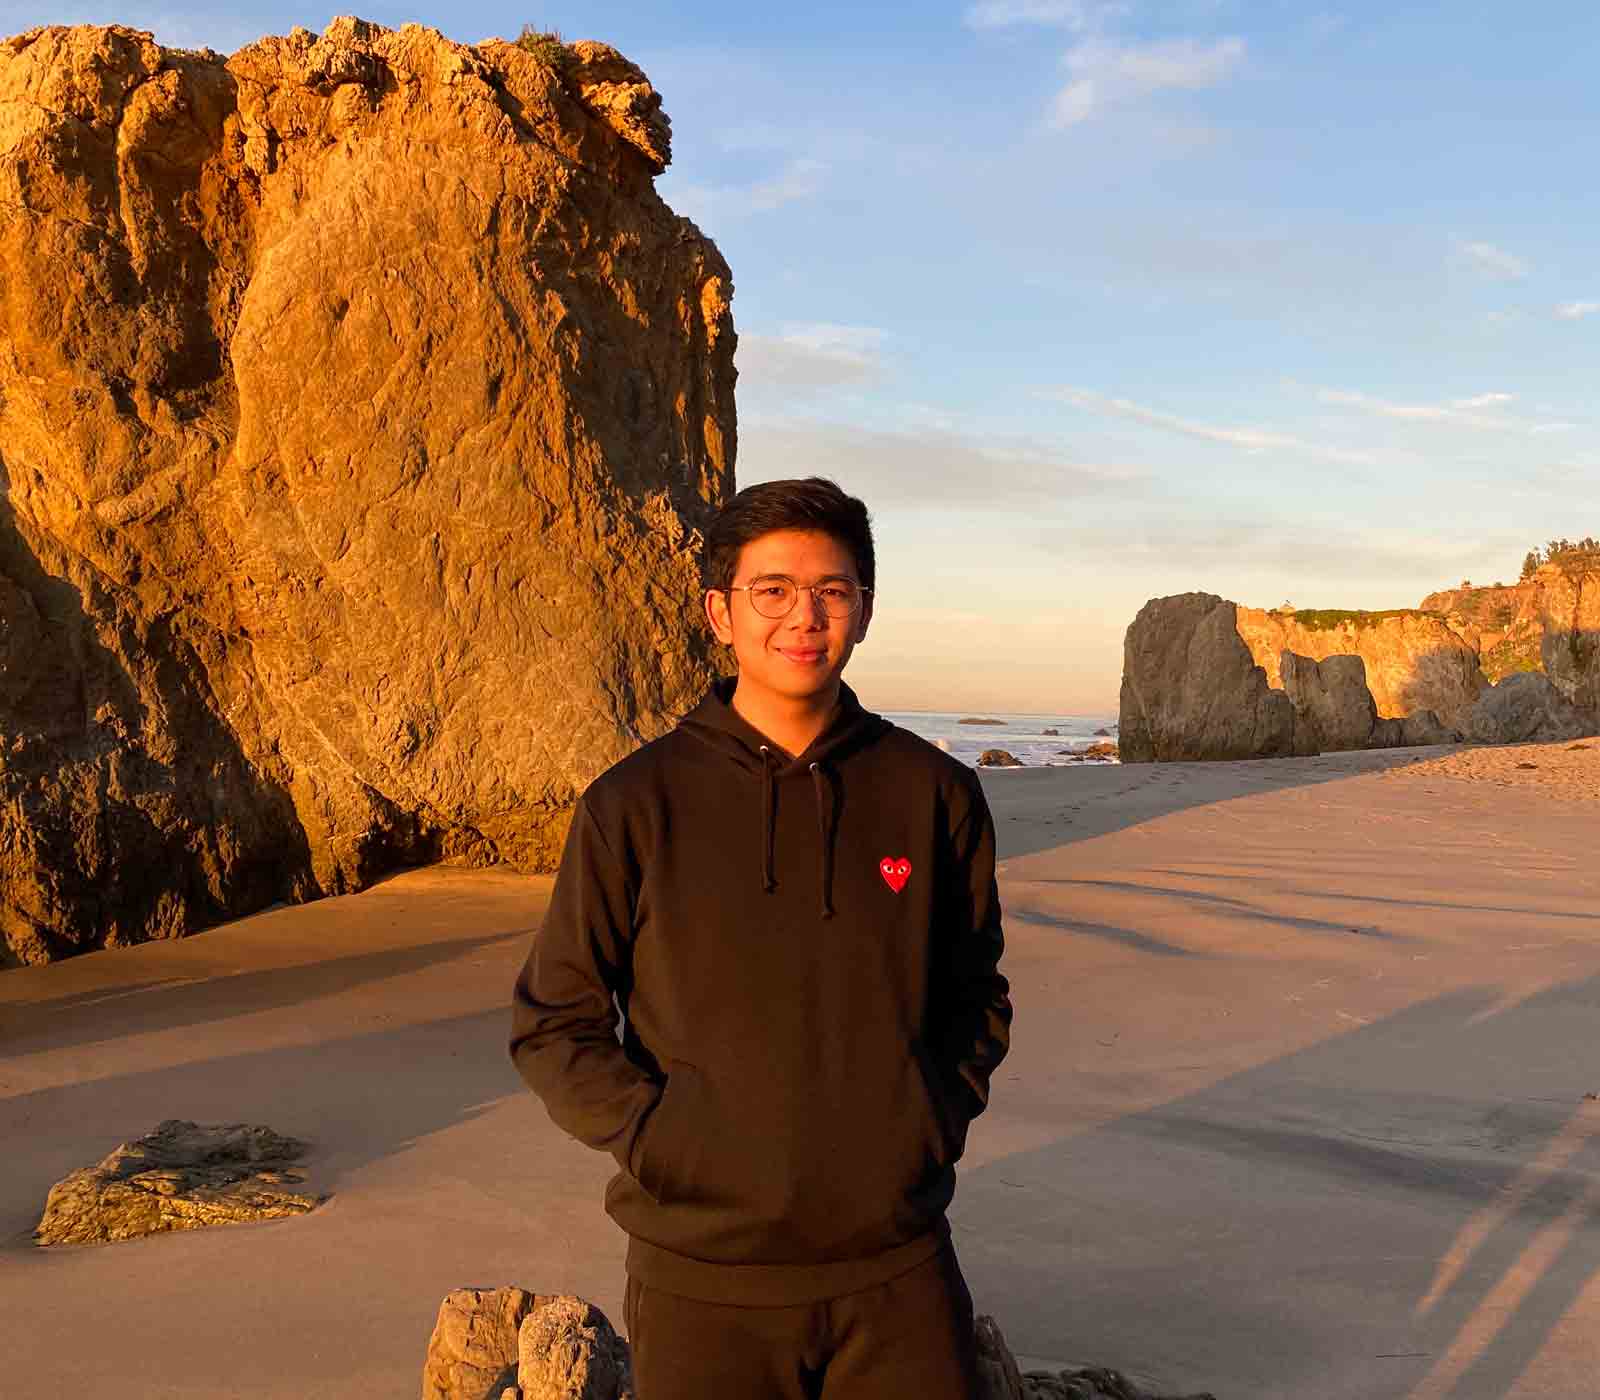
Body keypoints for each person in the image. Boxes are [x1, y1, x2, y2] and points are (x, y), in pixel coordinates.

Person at [509, 476, 1012, 1399]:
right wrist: (665, 1144)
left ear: (863, 610)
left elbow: (975, 993)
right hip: (702, 1277)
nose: (803, 616)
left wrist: (926, 1123)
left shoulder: (933, 793)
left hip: (896, 1266)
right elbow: (554, 1019)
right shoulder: (635, 803)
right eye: (772, 590)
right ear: (720, 612)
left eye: (831, 590)